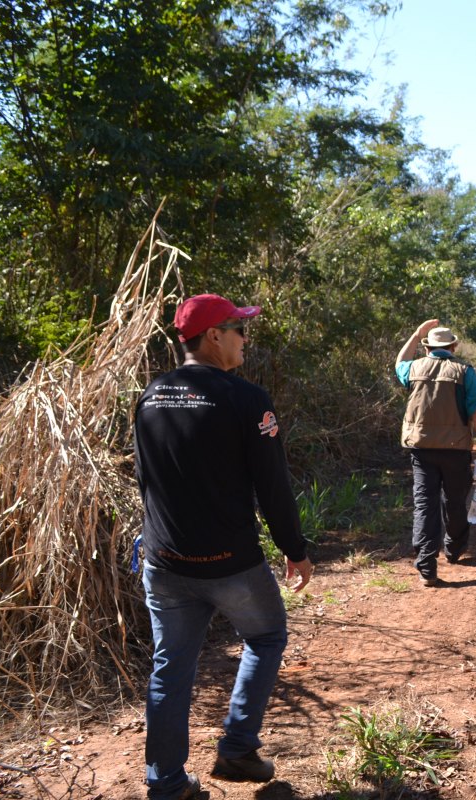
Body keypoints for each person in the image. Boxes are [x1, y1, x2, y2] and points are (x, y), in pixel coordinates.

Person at [133, 294, 312, 800]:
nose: (245, 338)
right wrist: (293, 549)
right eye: (239, 329)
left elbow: (148, 479)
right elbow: (272, 485)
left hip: (165, 561)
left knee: (170, 667)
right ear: (213, 335)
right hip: (230, 564)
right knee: (267, 636)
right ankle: (236, 749)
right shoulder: (246, 398)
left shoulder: (151, 395)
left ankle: (166, 783)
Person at [396, 319, 476, 586]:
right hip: (456, 449)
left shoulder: (414, 368)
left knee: (424, 505)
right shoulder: (464, 372)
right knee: (455, 500)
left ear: (428, 348)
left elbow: (399, 363)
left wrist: (416, 333)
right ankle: (454, 548)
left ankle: (426, 565)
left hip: (421, 449)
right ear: (454, 346)